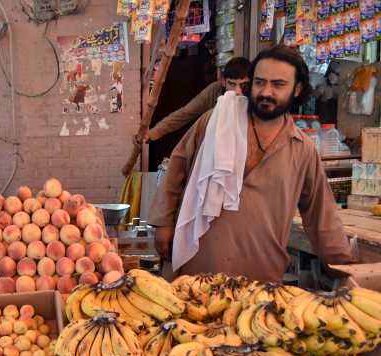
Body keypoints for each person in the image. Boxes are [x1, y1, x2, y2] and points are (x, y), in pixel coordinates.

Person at [148, 46, 352, 281]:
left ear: (297, 89)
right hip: (197, 266)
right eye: (260, 82)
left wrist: (345, 269)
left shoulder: (302, 149)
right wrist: (163, 223)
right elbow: (177, 166)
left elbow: (321, 214)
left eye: (278, 84)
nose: (266, 92)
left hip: (260, 276)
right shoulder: (216, 122)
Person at [143, 56, 252, 143]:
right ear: (223, 81)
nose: (237, 91)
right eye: (232, 84)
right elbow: (185, 113)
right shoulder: (215, 90)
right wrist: (152, 133)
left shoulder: (254, 95)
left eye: (243, 85)